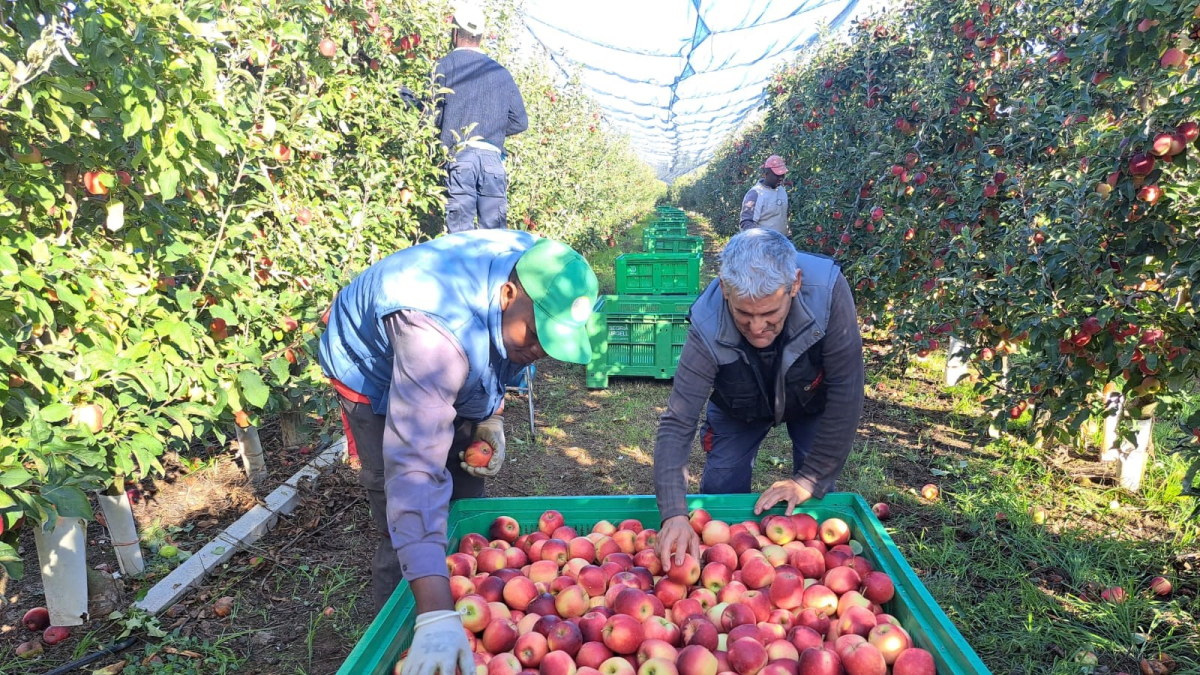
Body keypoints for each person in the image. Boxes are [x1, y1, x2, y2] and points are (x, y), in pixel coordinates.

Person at [317, 229, 599, 675]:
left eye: (551, 342)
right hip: (369, 368)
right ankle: (413, 627)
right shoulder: (435, 334)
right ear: (507, 295)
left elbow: (501, 350)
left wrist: (491, 415)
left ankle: (456, 592)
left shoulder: (540, 269)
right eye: (536, 335)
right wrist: (434, 613)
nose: (539, 350)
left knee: (464, 494)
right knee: (401, 500)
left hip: (456, 346)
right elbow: (413, 470)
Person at [652, 228, 864, 570]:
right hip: (738, 402)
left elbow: (847, 389)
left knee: (813, 493)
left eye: (770, 314)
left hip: (811, 394)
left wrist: (808, 479)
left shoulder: (827, 292)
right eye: (743, 314)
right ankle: (727, 563)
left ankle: (805, 560)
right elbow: (679, 418)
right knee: (723, 484)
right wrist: (674, 512)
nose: (756, 327)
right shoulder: (706, 323)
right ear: (724, 288)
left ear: (795, 284)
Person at [433, 3, 529, 233]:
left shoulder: (444, 66)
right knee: (495, 238)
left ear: (455, 33)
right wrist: (491, 129)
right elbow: (520, 122)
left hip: (460, 157)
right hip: (492, 161)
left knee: (461, 238)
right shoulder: (501, 72)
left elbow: (431, 116)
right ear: (482, 36)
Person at [739, 154, 790, 235]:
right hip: (764, 245)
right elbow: (746, 223)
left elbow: (783, 216)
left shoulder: (781, 190)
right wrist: (762, 239)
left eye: (782, 174)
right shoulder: (755, 194)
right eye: (777, 175)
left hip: (780, 242)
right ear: (767, 173)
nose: (781, 178)